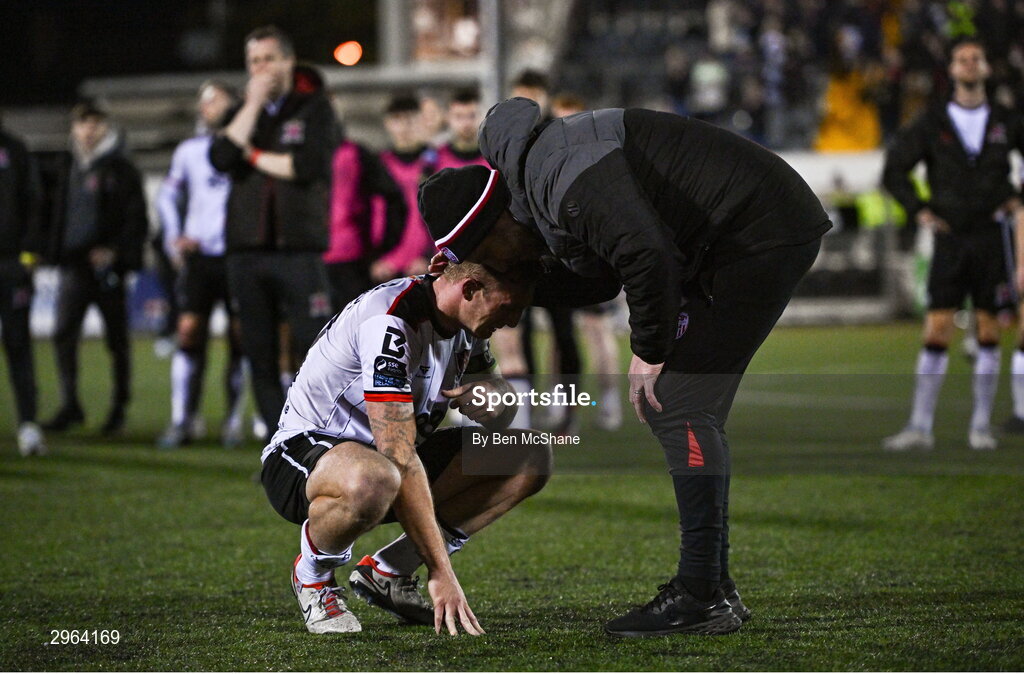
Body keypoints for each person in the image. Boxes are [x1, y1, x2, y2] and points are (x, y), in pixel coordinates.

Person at [428, 96, 830, 637]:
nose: (495, 266)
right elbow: (601, 276)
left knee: (680, 403)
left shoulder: (557, 173)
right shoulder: (545, 173)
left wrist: (650, 346)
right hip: (739, 228)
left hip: (751, 231)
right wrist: (515, 293)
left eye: (484, 256)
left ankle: (701, 593)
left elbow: (644, 254)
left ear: (486, 227)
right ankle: (710, 585)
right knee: (690, 409)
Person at [261, 165, 550, 635]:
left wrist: (494, 403)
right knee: (375, 477)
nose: (513, 321)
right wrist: (443, 572)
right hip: (308, 455)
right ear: (470, 288)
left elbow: (500, 406)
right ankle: (312, 577)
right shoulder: (390, 323)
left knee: (529, 455)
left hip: (390, 464)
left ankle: (388, 572)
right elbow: (398, 451)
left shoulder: (465, 328)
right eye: (508, 307)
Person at [882, 39, 1024, 452]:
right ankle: (919, 426)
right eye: (962, 58)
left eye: (975, 58)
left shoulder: (1007, 120)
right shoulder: (932, 121)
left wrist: (1019, 197)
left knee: (989, 329)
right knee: (938, 328)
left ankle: (980, 426)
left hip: (992, 237)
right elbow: (895, 170)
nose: (969, 64)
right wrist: (919, 209)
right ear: (952, 68)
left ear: (985, 69)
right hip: (949, 239)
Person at [209, 26, 339, 443]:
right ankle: (280, 444)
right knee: (259, 354)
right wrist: (250, 105)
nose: (261, 69)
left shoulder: (314, 108)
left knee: (316, 350)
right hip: (245, 252)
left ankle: (325, 437)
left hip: (298, 250)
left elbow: (306, 167)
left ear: (288, 60)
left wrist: (255, 154)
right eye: (254, 62)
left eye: (268, 59)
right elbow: (223, 157)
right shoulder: (242, 114)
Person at [43, 99, 147, 435]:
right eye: (83, 123)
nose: (89, 129)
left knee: (116, 340)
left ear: (104, 127)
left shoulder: (122, 168)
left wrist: (116, 252)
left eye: (95, 123)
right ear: (74, 128)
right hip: (74, 266)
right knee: (62, 335)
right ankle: (70, 404)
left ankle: (118, 408)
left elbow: (137, 219)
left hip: (107, 269)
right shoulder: (65, 166)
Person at [156, 80, 246, 449]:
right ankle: (182, 420)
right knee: (189, 331)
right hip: (200, 259)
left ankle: (233, 422)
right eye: (203, 100)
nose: (205, 106)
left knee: (240, 339)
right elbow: (167, 194)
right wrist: (174, 237)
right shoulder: (189, 151)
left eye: (214, 99)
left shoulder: (245, 150)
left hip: (237, 256)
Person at [0, 116, 46, 455]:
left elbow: (34, 204)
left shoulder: (14, 149)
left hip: (11, 264)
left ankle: (29, 426)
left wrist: (28, 258)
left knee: (18, 345)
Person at [323, 127, 406, 312]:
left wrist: (384, 248)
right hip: (308, 260)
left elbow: (394, 199)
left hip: (351, 261)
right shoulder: (297, 153)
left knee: (352, 329)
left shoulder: (356, 154)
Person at [371, 95, 436, 283]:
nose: (404, 127)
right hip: (385, 264)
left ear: (421, 121)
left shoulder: (436, 161)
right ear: (387, 124)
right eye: (397, 120)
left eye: (410, 120)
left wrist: (429, 256)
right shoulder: (379, 164)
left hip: (424, 262)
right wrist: (375, 259)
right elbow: (373, 215)